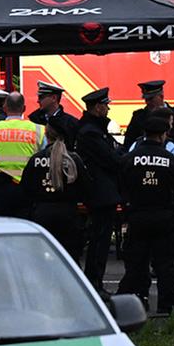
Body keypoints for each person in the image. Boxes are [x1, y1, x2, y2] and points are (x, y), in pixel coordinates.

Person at [121, 80, 174, 279]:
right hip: (145, 183)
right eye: (146, 99)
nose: (148, 103)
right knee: (149, 230)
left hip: (172, 180)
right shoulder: (139, 118)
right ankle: (149, 267)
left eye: (150, 99)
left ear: (161, 96)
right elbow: (128, 146)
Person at [118, 107, 174, 314]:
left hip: (137, 217)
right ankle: (168, 307)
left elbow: (122, 188)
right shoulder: (170, 160)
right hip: (164, 219)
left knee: (136, 265)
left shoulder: (129, 159)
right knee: (165, 265)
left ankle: (134, 304)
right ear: (163, 134)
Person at [74, 87, 126, 294]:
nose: (108, 109)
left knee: (100, 239)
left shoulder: (94, 130)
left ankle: (95, 281)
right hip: (100, 193)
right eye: (105, 105)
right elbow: (111, 159)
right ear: (97, 107)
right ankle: (95, 283)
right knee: (99, 241)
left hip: (101, 192)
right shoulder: (91, 133)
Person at [23, 125, 85, 266]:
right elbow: (86, 186)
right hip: (68, 214)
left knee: (41, 258)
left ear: (46, 136)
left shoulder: (36, 159)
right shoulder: (73, 159)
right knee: (70, 259)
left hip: (42, 213)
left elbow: (26, 187)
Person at [0, 93, 44, 218]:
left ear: (4, 108)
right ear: (24, 108)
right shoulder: (38, 130)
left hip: (0, 189)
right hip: (28, 190)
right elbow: (45, 159)